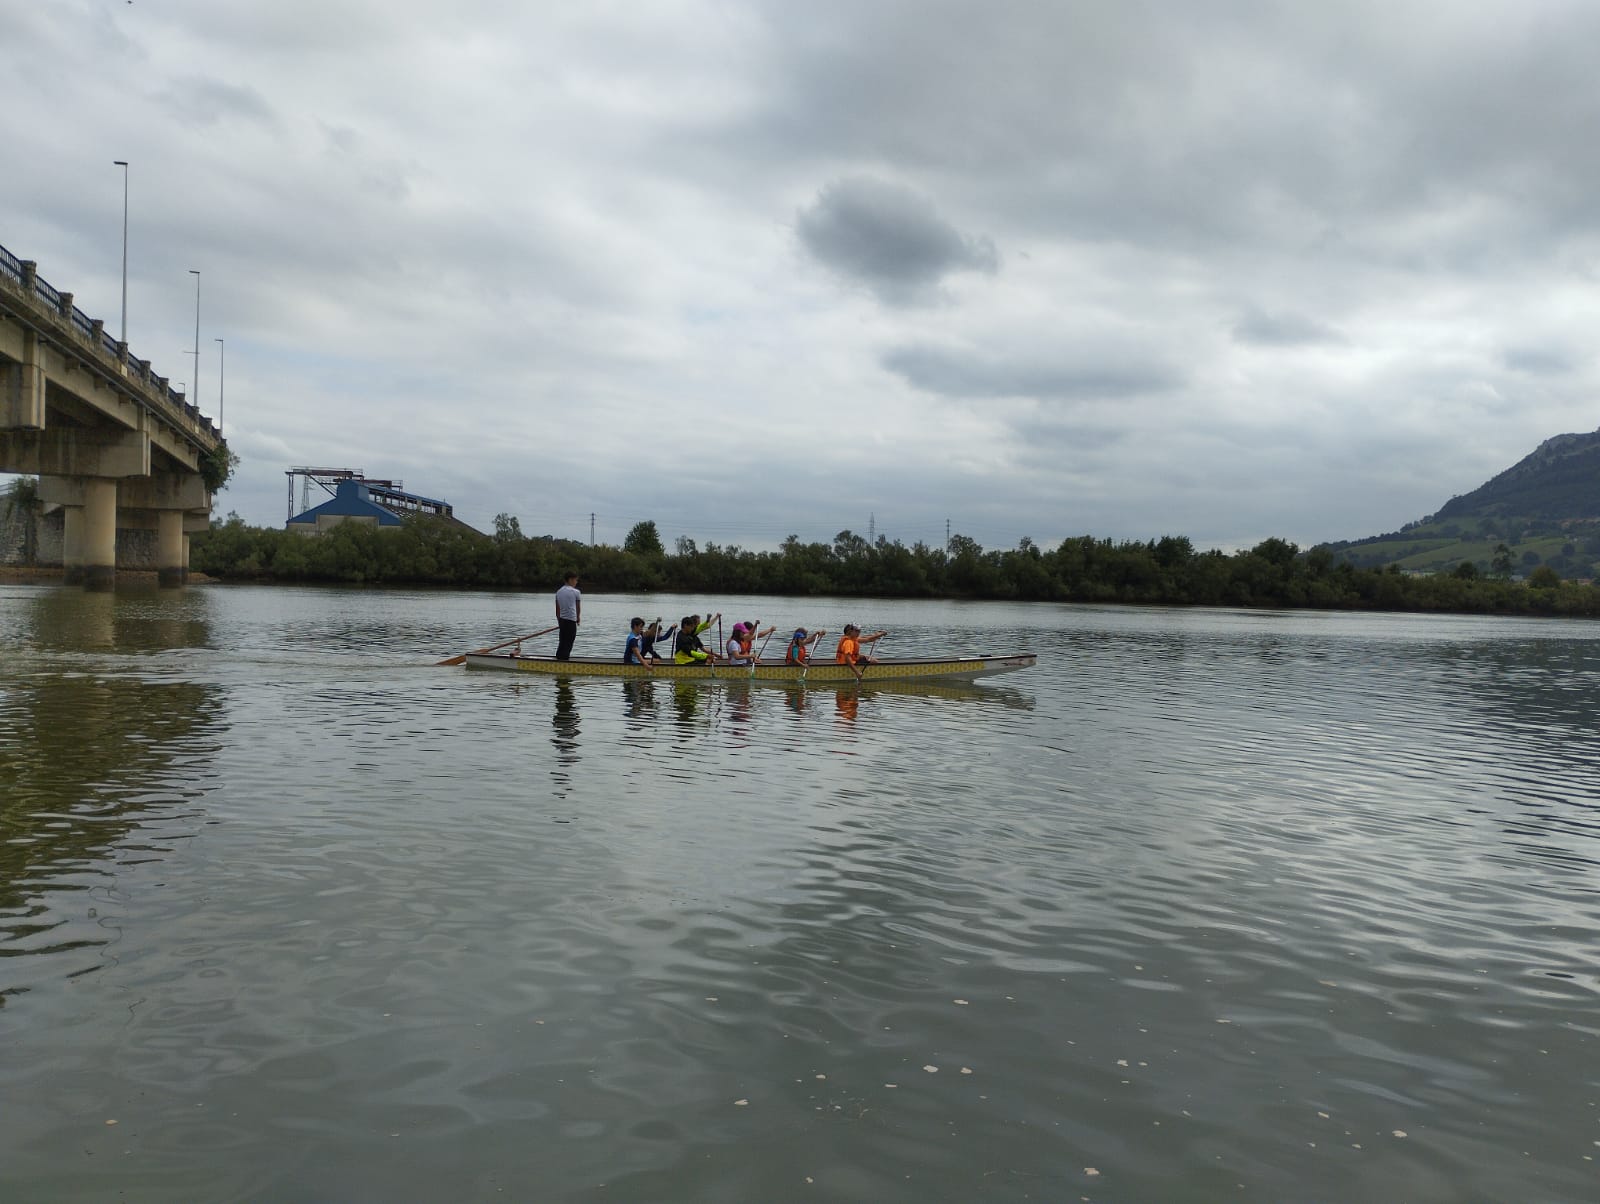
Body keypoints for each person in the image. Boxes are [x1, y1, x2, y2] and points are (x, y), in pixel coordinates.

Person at [553, 571, 581, 660]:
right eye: (575, 580)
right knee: (569, 643)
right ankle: (564, 661)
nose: (576, 582)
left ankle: (559, 659)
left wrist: (559, 622)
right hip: (571, 621)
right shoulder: (576, 592)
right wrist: (578, 618)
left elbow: (557, 610)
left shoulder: (558, 592)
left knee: (562, 643)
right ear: (570, 580)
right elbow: (578, 608)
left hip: (562, 620)